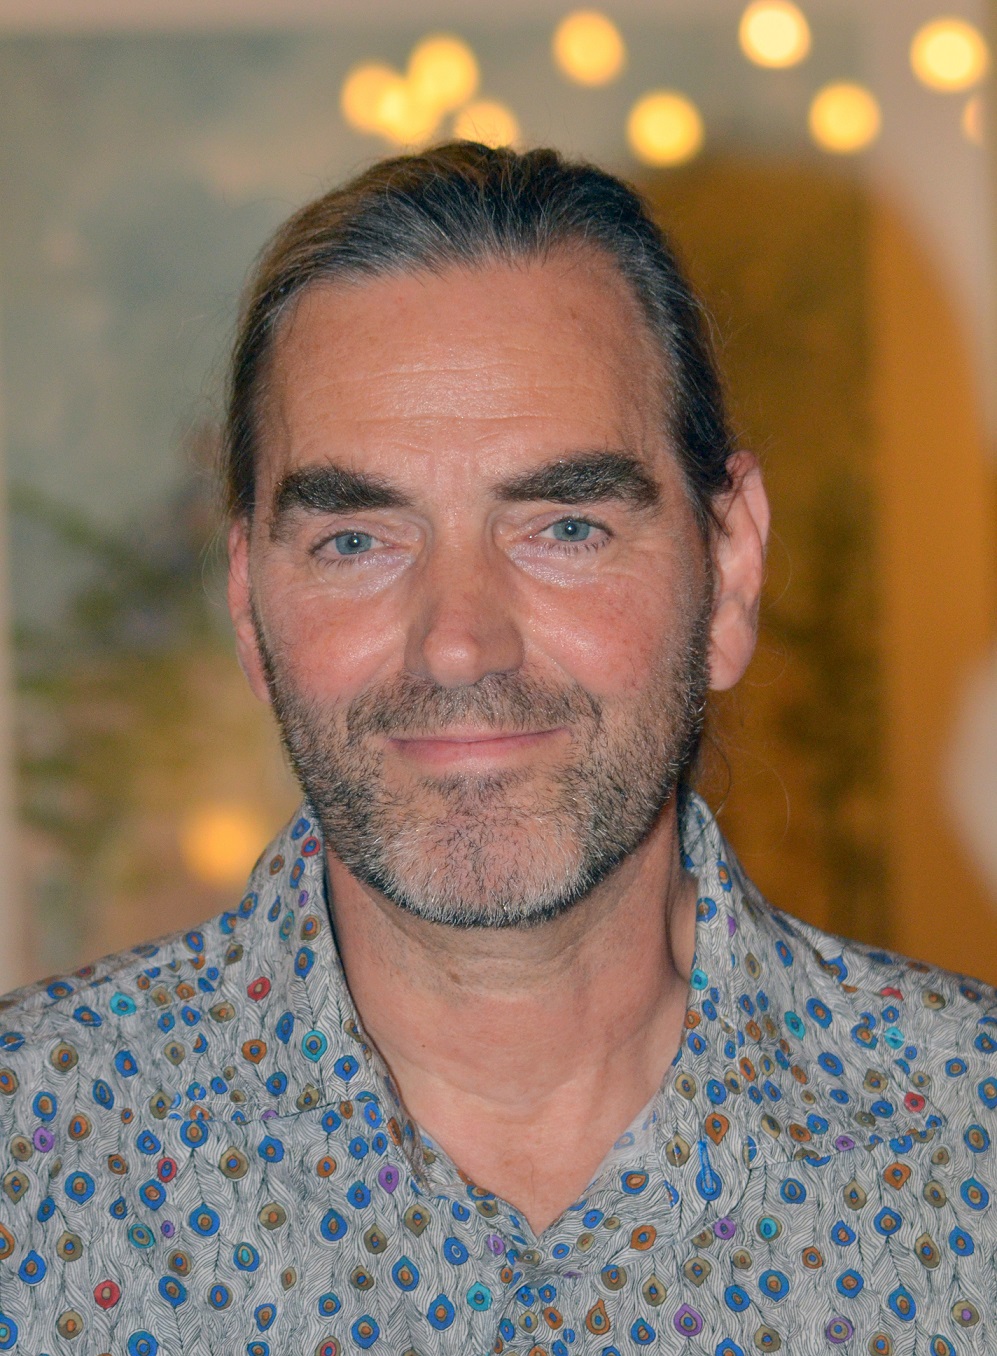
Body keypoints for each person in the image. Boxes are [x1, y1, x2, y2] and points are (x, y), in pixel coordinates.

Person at [0, 142, 993, 1356]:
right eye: (358, 540)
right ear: (251, 606)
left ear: (730, 570)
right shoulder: (27, 1165)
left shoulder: (972, 1149)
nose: (459, 644)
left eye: (564, 526)